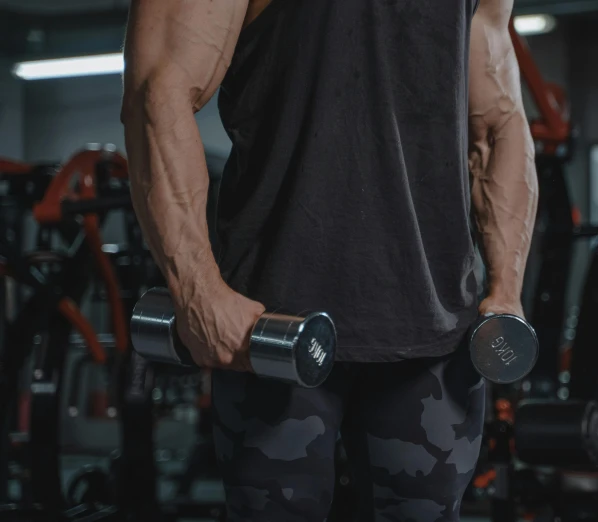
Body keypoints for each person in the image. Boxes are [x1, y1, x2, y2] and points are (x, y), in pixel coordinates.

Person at [121, 0, 538, 520]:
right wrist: (198, 291)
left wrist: (507, 288)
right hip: (271, 327)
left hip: (434, 333)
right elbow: (157, 90)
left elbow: (498, 122)